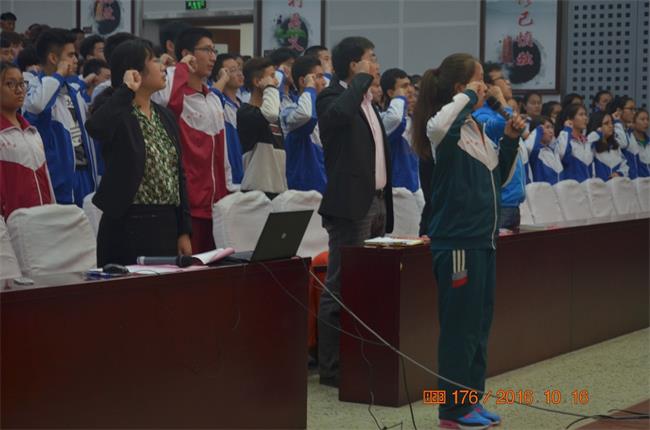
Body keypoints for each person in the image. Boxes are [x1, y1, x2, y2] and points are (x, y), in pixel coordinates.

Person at [411, 53, 524, 430]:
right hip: (457, 242)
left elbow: (498, 179)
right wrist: (468, 96)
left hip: (482, 241)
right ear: (461, 87)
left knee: (478, 325)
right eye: (479, 80)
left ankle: (470, 400)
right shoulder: (444, 128)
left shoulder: (474, 127)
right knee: (458, 329)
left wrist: (510, 141)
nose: (487, 87)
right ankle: (452, 411)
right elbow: (440, 122)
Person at [316, 36, 394, 388]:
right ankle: (332, 368)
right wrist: (361, 82)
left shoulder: (368, 101)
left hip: (377, 202)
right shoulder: (331, 96)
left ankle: (362, 358)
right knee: (340, 286)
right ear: (353, 65)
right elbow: (336, 118)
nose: (377, 65)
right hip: (351, 206)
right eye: (371, 58)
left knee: (369, 285)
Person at [85, 39, 192, 266]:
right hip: (127, 224)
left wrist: (184, 230)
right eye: (154, 60)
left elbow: (178, 174)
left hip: (166, 223)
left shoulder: (165, 115)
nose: (163, 66)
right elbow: (96, 128)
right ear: (134, 71)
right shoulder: (117, 111)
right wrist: (126, 91)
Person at [151, 27, 231, 253]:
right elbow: (166, 98)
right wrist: (181, 67)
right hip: (188, 207)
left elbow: (223, 156)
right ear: (187, 54)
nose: (213, 57)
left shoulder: (213, 99)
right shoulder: (174, 96)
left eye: (214, 51)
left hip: (217, 207)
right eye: (207, 50)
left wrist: (228, 192)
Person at [23, 28, 98, 206]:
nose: (76, 60)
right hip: (58, 180)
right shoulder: (35, 87)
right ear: (53, 58)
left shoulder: (73, 90)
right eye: (70, 55)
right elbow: (37, 106)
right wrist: (58, 75)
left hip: (84, 174)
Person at [0, 61, 54, 219]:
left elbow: (47, 182)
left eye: (21, 83)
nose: (19, 90)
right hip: (13, 226)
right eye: (10, 84)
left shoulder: (33, 132)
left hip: (42, 221)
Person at [474, 72, 526, 229]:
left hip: (512, 203)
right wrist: (500, 100)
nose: (508, 82)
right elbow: (508, 125)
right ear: (489, 87)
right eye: (502, 79)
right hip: (499, 203)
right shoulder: (480, 115)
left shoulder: (495, 113)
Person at [237, 57, 286, 197]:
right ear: (257, 81)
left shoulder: (272, 114)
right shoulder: (246, 112)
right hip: (256, 190)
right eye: (272, 76)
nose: (276, 82)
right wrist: (270, 88)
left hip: (278, 188)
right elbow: (270, 113)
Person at [280, 54, 327, 193]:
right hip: (301, 193)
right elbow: (307, 115)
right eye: (318, 77)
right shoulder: (289, 111)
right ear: (303, 81)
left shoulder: (323, 112)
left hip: (324, 190)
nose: (324, 82)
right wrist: (310, 88)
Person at [380, 68, 423, 211]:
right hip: (396, 193)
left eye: (410, 85)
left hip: (415, 190)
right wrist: (399, 99)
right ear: (390, 93)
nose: (410, 90)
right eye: (404, 87)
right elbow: (396, 119)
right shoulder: (384, 119)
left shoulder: (413, 120)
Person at [210, 53, 244, 187]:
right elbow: (211, 98)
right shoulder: (219, 102)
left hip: (245, 170)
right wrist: (223, 79)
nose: (239, 73)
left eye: (239, 69)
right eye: (232, 70)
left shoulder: (242, 104)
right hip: (229, 173)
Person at [555, 103, 593, 182]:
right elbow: (562, 155)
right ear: (570, 118)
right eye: (581, 115)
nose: (585, 118)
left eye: (585, 114)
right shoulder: (564, 137)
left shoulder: (586, 141)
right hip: (571, 187)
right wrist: (567, 129)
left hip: (587, 187)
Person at [587, 111, 628, 181]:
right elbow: (588, 141)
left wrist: (619, 173)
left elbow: (624, 165)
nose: (611, 126)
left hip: (616, 186)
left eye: (612, 123)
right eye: (606, 123)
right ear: (598, 126)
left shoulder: (615, 145)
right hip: (598, 186)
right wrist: (598, 133)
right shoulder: (592, 145)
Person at [525, 115, 563, 184]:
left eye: (552, 127)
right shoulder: (534, 152)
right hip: (541, 190)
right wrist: (539, 129)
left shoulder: (553, 151)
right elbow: (530, 147)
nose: (551, 131)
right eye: (547, 127)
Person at [610, 96, 638, 178]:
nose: (634, 112)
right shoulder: (613, 129)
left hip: (633, 180)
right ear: (619, 110)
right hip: (620, 179)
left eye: (635, 109)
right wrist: (617, 122)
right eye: (631, 109)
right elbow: (622, 144)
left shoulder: (629, 131)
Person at [630, 109, 650, 177]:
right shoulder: (628, 142)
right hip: (636, 182)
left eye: (647, 119)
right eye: (642, 119)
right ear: (633, 122)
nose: (646, 122)